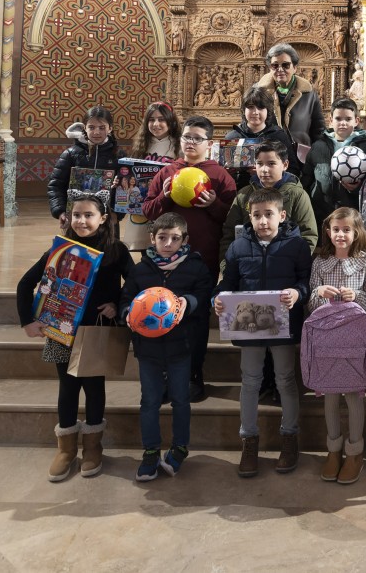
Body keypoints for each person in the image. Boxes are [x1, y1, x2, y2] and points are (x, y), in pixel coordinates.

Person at [17, 189, 134, 481]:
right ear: (69, 218)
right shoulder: (59, 251)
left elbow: (135, 284)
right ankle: (66, 448)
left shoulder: (116, 250)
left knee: (94, 387)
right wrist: (27, 321)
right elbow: (24, 284)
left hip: (97, 329)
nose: (82, 221)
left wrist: (118, 304)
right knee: (67, 387)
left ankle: (93, 447)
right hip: (60, 330)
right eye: (77, 215)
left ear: (104, 219)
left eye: (89, 215)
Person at [215, 188, 313, 478]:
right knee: (250, 381)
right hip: (249, 329)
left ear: (282, 216)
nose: (262, 221)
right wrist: (218, 297)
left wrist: (298, 293)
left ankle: (289, 438)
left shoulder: (296, 246)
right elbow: (228, 281)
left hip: (283, 325)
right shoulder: (238, 246)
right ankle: (249, 441)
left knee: (285, 379)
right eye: (256, 215)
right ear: (250, 216)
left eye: (268, 214)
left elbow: (305, 280)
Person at [141, 115, 238, 402]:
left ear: (209, 143)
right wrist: (165, 198)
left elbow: (232, 220)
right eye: (186, 137)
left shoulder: (220, 176)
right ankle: (166, 378)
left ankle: (194, 376)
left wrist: (214, 205)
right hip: (166, 262)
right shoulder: (167, 172)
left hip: (201, 260)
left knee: (195, 322)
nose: (190, 143)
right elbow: (147, 210)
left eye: (197, 138)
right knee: (163, 315)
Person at [120, 213, 214, 481]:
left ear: (184, 239)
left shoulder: (195, 267)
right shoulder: (141, 270)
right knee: (149, 401)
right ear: (152, 239)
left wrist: (189, 302)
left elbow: (205, 295)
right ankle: (150, 451)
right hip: (147, 349)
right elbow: (126, 299)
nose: (168, 243)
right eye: (162, 238)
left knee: (181, 399)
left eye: (175, 238)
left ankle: (180, 447)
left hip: (181, 347)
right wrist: (127, 313)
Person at [306, 208, 366, 484]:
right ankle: (333, 450)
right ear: (328, 231)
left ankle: (355, 451)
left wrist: (357, 296)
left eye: (346, 230)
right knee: (329, 395)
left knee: (353, 395)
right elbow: (310, 306)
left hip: (353, 339)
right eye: (336, 229)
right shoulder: (320, 263)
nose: (340, 234)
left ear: (356, 233)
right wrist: (318, 292)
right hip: (326, 340)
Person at [222, 140, 318, 251]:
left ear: (285, 165)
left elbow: (308, 235)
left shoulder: (297, 195)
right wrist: (227, 266)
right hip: (248, 264)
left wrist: (293, 264)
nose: (264, 169)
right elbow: (228, 235)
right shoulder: (244, 195)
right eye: (260, 163)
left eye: (271, 164)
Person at [301, 97, 366, 222]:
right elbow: (306, 178)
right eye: (338, 119)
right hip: (322, 214)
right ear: (331, 121)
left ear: (356, 121)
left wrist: (357, 189)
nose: (343, 123)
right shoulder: (318, 147)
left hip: (353, 214)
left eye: (348, 119)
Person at [47, 105, 126, 221]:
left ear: (110, 128)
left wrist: (117, 214)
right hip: (77, 218)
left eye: (102, 127)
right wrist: (60, 212)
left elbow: (125, 188)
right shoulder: (70, 154)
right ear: (85, 128)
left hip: (107, 219)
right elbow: (55, 185)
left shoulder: (119, 156)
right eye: (92, 127)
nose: (96, 132)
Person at [124, 102, 181, 253]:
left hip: (167, 202)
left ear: (171, 121)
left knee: (166, 247)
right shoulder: (141, 145)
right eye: (151, 119)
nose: (156, 124)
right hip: (143, 203)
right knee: (146, 250)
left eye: (162, 119)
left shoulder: (179, 146)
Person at [255, 43, 325, 163]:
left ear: (295, 67)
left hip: (301, 159)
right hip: (267, 159)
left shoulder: (309, 94)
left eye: (286, 65)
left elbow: (318, 131)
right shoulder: (258, 92)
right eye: (275, 65)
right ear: (269, 68)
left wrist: (316, 160)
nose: (280, 69)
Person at [223, 85, 301, 185]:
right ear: (244, 110)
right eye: (250, 107)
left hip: (272, 191)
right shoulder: (232, 137)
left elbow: (293, 169)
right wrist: (226, 172)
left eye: (260, 108)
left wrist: (266, 171)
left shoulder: (278, 135)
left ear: (268, 110)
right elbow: (224, 175)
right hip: (240, 191)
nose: (255, 112)